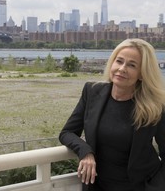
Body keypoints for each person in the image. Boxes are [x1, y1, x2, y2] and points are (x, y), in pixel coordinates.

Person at [59, 38, 165, 191]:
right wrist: (85, 151)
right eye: (119, 61)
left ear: (142, 74)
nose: (122, 69)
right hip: (98, 186)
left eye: (132, 65)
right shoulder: (92, 92)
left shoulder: (155, 106)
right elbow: (67, 132)